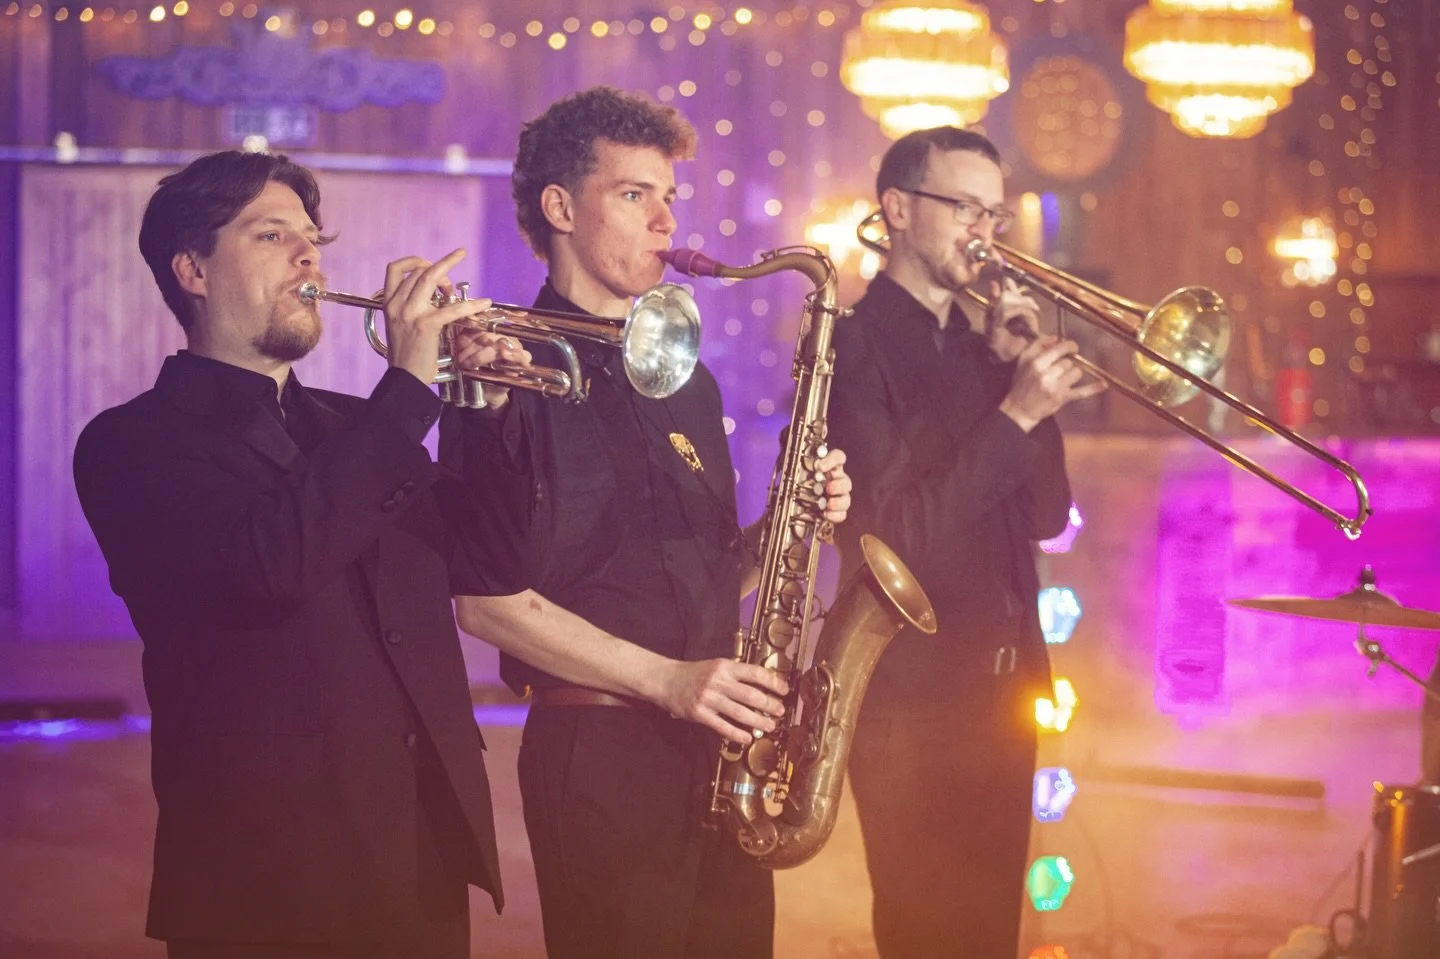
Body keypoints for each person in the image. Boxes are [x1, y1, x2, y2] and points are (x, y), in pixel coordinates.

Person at [72, 150, 534, 959]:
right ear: (193, 269)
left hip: (421, 853)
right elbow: (270, 563)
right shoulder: (130, 442)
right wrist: (408, 392)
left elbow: (492, 560)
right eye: (273, 234)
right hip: (268, 875)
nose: (309, 256)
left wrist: (482, 411)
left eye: (312, 238)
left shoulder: (359, 427)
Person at [442, 86, 852, 958]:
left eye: (670, 197)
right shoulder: (497, 370)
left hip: (718, 751)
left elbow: (705, 568)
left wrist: (786, 524)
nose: (666, 220)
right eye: (635, 195)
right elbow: (485, 604)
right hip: (598, 755)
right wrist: (669, 680)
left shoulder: (686, 379)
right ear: (559, 208)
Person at [826, 126, 1104, 957]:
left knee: (988, 939)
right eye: (965, 208)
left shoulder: (982, 349)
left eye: (994, 212)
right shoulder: (850, 345)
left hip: (1004, 696)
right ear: (899, 210)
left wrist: (1021, 381)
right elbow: (888, 539)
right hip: (913, 704)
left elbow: (1048, 517)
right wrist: (1014, 413)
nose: (984, 231)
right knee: (928, 936)